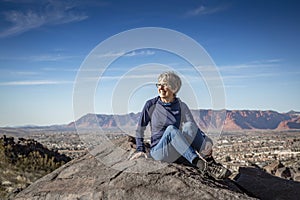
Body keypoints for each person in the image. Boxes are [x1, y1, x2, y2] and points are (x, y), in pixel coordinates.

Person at [130, 71, 231, 180]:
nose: (161, 88)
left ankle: (211, 163)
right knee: (171, 130)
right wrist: (140, 149)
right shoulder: (151, 104)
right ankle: (201, 165)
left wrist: (207, 140)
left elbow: (194, 128)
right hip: (159, 152)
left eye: (165, 85)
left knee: (189, 126)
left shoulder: (181, 106)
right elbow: (140, 128)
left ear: (174, 88)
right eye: (159, 85)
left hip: (177, 149)